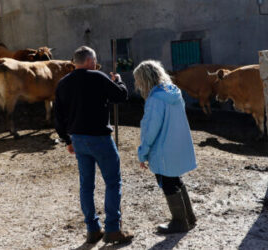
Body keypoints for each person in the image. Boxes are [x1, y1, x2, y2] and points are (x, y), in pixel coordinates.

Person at [54, 46, 134, 244]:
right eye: (95, 61)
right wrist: (119, 81)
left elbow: (58, 116)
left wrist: (66, 140)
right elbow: (121, 96)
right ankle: (113, 229)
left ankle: (92, 229)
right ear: (90, 61)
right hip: (100, 138)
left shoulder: (63, 83)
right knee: (113, 182)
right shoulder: (98, 77)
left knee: (86, 186)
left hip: (78, 140)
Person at [133, 60, 197, 234]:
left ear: (144, 80)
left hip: (163, 150)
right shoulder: (174, 92)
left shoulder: (155, 99)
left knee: (168, 184)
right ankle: (189, 217)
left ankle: (179, 222)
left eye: (138, 81)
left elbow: (150, 130)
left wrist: (143, 153)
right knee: (176, 180)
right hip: (177, 146)